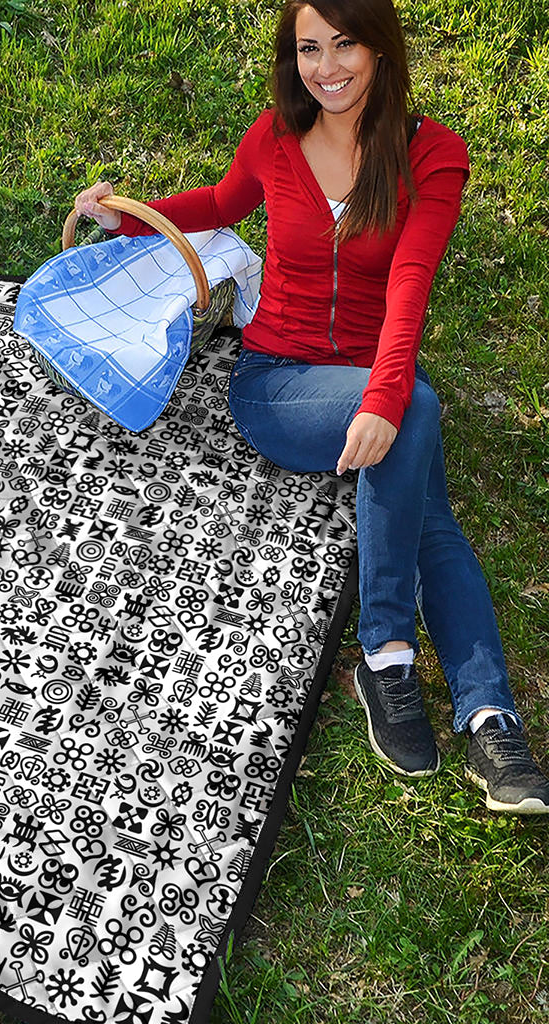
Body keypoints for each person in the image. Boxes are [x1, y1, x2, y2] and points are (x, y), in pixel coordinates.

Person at [73, 0, 549, 814]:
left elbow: (410, 284)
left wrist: (386, 396)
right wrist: (128, 221)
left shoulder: (432, 155)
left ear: (381, 48)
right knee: (419, 421)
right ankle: (397, 657)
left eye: (345, 44)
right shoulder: (275, 137)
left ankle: (481, 712)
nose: (326, 67)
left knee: (422, 473)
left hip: (369, 375)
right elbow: (221, 205)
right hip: (277, 383)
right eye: (308, 48)